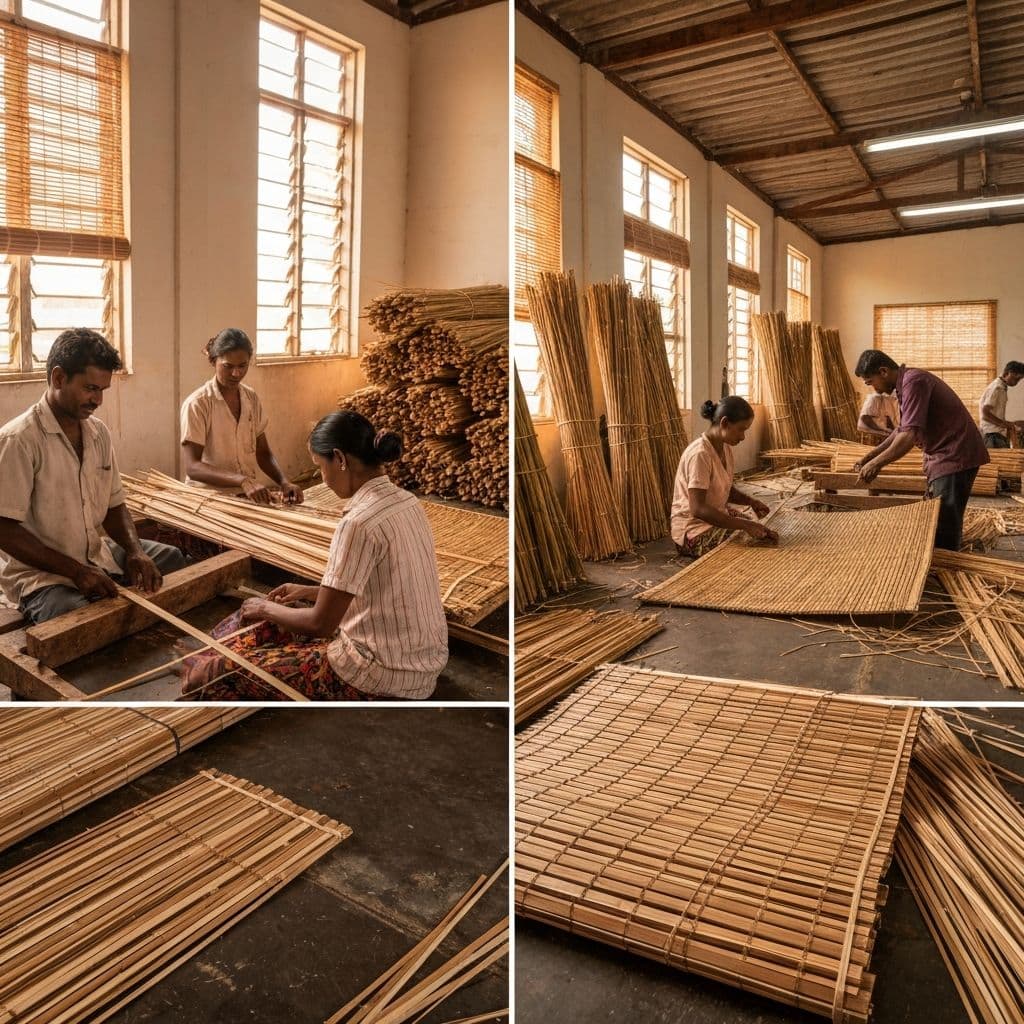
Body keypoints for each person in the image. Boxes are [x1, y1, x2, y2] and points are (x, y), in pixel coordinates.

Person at [181, 410, 448, 700]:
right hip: (423, 664)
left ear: (340, 459)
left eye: (320, 466)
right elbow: (381, 588)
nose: (323, 478)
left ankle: (204, 666)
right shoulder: (408, 502)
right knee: (273, 619)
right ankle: (211, 655)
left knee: (221, 671)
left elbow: (320, 625)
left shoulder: (358, 523)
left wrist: (265, 608)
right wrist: (310, 592)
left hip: (381, 673)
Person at [0, 329, 186, 624]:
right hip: (43, 576)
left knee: (172, 560)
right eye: (90, 388)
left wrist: (135, 551)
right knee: (80, 617)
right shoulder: (19, 440)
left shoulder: (98, 433)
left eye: (102, 390)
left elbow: (115, 505)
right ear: (58, 378)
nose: (97, 399)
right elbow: (4, 530)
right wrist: (76, 571)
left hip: (97, 556)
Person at [853, 350, 989, 550]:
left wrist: (876, 464)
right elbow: (901, 430)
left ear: (883, 371)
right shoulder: (907, 384)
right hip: (946, 455)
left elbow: (908, 437)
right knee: (939, 517)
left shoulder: (914, 382)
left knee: (943, 523)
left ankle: (946, 563)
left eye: (870, 382)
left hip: (954, 454)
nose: (874, 389)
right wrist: (869, 457)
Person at [180, 327, 303, 504]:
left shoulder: (250, 398)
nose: (236, 373)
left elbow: (263, 453)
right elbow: (193, 467)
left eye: (242, 366)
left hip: (245, 495)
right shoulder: (198, 404)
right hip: (207, 499)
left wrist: (284, 482)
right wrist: (242, 480)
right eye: (228, 366)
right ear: (213, 361)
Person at [670, 396, 778, 558]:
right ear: (725, 423)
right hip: (693, 530)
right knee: (752, 540)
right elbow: (698, 509)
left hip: (713, 517)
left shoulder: (724, 448)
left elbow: (725, 488)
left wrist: (751, 502)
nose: (742, 437)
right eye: (741, 429)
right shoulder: (700, 454)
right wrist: (744, 525)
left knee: (761, 531)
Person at [979, 361, 1024, 448]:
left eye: (1019, 380)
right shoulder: (997, 388)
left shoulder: (1002, 387)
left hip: (996, 434)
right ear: (1007, 373)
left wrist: (1010, 424)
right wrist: (1006, 424)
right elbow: (985, 414)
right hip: (992, 435)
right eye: (1016, 378)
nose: (1017, 382)